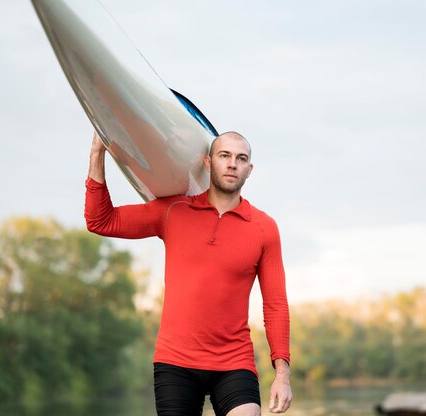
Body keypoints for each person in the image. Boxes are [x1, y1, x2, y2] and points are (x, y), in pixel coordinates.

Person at [85, 131, 292, 416]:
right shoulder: (173, 211)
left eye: (241, 158)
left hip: (234, 361)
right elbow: (100, 220)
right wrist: (98, 153)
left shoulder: (264, 228)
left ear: (249, 170)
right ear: (208, 163)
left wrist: (282, 374)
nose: (232, 164)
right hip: (176, 361)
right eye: (224, 156)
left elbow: (276, 305)